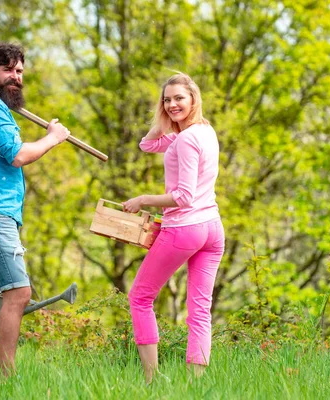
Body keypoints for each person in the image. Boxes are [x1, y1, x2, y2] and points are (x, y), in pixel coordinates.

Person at [0, 42, 70, 379]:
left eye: (19, 71)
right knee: (19, 293)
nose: (16, 77)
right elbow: (17, 155)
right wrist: (53, 138)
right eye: (8, 70)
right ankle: (9, 380)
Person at [123, 73, 225, 383]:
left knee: (139, 297)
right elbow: (147, 143)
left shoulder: (187, 139)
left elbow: (183, 197)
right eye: (166, 99)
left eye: (179, 98)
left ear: (195, 99)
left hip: (185, 228)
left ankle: (150, 380)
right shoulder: (204, 131)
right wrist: (166, 117)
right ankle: (195, 385)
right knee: (199, 309)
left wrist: (143, 200)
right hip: (212, 229)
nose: (171, 104)